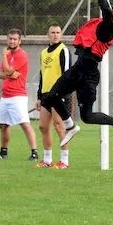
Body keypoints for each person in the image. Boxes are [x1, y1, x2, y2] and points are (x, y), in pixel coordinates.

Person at [41, 0, 113, 147]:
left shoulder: (112, 28)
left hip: (89, 72)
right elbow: (106, 12)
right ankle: (70, 126)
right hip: (79, 67)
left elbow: (106, 10)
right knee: (50, 97)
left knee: (88, 117)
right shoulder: (105, 23)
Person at [0, 28, 39, 161]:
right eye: (10, 39)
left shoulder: (21, 55)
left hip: (17, 96)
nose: (12, 41)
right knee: (3, 125)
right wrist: (9, 74)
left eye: (15, 39)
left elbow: (7, 70)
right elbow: (0, 74)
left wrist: (4, 58)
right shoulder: (8, 54)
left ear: (19, 41)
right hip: (5, 96)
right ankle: (3, 152)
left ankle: (34, 152)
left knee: (24, 123)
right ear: (7, 39)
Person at [35, 24, 72, 168]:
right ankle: (47, 160)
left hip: (58, 94)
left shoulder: (63, 50)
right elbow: (42, 76)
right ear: (48, 35)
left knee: (59, 126)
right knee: (43, 126)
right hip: (46, 95)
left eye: (58, 32)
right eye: (53, 32)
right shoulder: (44, 53)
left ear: (61, 35)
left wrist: (62, 93)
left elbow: (67, 74)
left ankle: (64, 161)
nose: (55, 35)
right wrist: (39, 97)